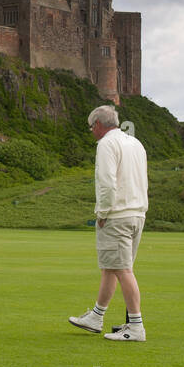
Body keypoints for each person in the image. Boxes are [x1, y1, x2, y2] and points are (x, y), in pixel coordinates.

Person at [69, 105, 149, 342]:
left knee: (123, 270)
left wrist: (102, 213)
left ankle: (136, 327)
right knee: (111, 267)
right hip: (137, 213)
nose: (92, 131)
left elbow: (107, 182)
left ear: (99, 125)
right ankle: (96, 316)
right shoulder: (136, 143)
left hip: (117, 215)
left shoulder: (106, 144)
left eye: (91, 127)